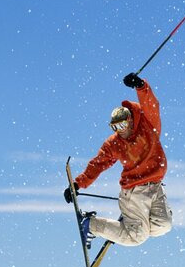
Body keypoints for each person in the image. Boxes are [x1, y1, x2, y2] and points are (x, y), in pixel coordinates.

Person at [64, 72, 173, 248]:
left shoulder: (148, 126)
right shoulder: (114, 143)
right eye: (115, 127)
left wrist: (140, 85)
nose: (120, 130)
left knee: (164, 225)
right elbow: (98, 164)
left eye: (122, 125)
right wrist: (78, 184)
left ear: (131, 120)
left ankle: (130, 223)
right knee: (136, 237)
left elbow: (152, 105)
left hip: (155, 186)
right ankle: (91, 225)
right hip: (134, 191)